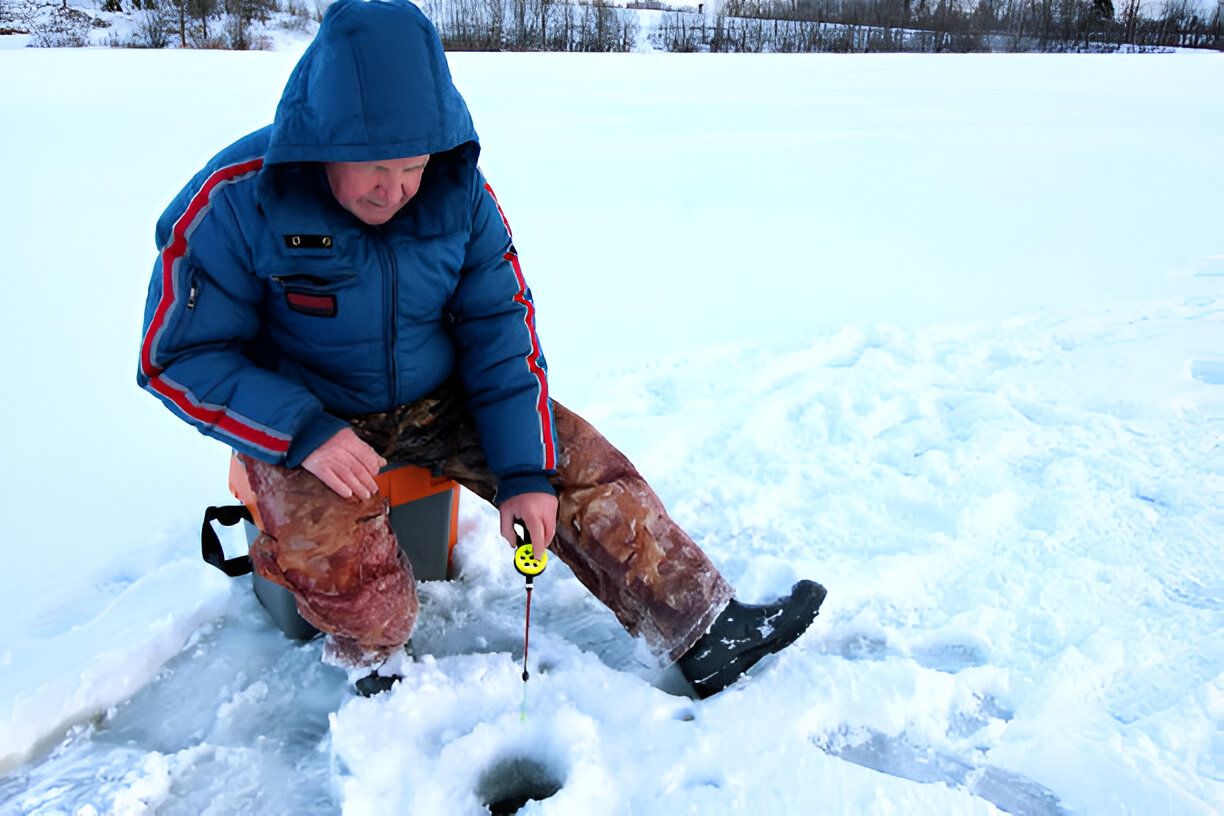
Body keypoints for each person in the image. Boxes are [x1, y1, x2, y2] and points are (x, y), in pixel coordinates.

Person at [138, 0, 825, 699]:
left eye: (411, 165)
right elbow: (177, 356)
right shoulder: (236, 199)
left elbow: (499, 327)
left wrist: (525, 472)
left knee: (578, 466)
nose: (396, 189)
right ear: (322, 142)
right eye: (373, 166)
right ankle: (375, 668)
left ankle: (707, 631)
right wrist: (301, 431)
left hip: (441, 400)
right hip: (312, 418)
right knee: (356, 587)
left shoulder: (459, 194)